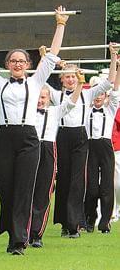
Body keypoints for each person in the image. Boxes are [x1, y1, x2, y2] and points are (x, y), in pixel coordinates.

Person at [0, 6, 67, 255]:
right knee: (6, 189)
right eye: (13, 61)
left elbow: (51, 56)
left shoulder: (36, 82)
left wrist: (60, 24)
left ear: (28, 64)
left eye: (21, 61)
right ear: (7, 64)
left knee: (24, 189)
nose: (17, 64)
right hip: (5, 137)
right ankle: (11, 227)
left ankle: (19, 241)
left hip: (29, 138)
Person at [49, 60, 114, 238]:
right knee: (63, 179)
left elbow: (109, 82)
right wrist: (48, 59)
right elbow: (40, 82)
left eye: (73, 76)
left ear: (78, 78)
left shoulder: (88, 93)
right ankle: (64, 222)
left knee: (78, 182)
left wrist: (114, 57)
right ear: (61, 79)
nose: (70, 80)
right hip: (62, 137)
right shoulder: (56, 95)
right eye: (67, 77)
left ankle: (74, 224)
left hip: (80, 137)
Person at [30, 72, 83, 248]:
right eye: (37, 97)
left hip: (48, 150)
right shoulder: (26, 112)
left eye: (43, 97)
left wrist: (80, 83)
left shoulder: (55, 111)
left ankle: (37, 234)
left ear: (49, 98)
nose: (40, 101)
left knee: (44, 192)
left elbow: (72, 102)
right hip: (29, 149)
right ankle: (22, 231)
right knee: (25, 191)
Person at [84, 50, 120, 234]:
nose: (98, 96)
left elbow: (115, 87)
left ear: (105, 95)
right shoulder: (84, 109)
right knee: (90, 187)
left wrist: (116, 61)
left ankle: (105, 222)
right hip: (89, 147)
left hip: (105, 147)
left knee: (107, 187)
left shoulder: (111, 108)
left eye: (101, 93)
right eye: (95, 93)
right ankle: (89, 219)